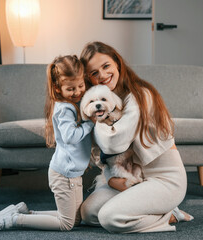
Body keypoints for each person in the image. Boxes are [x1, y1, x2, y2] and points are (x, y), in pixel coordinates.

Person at [79, 41, 193, 233]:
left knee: (109, 218)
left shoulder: (139, 95)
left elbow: (113, 143)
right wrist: (111, 179)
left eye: (106, 66)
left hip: (164, 180)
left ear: (117, 63)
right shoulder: (106, 101)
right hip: (133, 179)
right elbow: (102, 156)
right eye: (94, 73)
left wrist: (97, 119)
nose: (103, 75)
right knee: (88, 212)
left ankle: (168, 214)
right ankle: (148, 209)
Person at [0, 55, 94, 232]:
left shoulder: (71, 103)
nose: (78, 92)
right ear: (57, 88)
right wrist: (90, 124)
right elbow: (70, 136)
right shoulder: (65, 108)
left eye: (81, 86)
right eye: (71, 88)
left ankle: (27, 213)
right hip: (65, 175)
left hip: (72, 173)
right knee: (66, 224)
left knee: (76, 220)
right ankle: (16, 219)